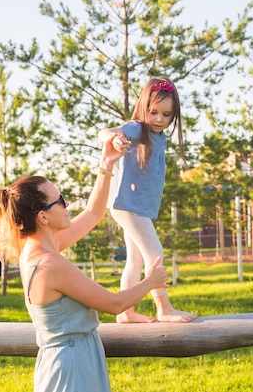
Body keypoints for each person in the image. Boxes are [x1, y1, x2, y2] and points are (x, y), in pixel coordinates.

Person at [0, 136, 169, 392]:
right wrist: (152, 281)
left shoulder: (40, 246)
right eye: (59, 201)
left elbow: (94, 213)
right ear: (43, 217)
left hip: (72, 360)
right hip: (70, 368)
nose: (66, 204)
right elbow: (113, 304)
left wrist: (106, 165)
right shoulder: (50, 264)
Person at [99, 77, 198, 324]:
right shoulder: (136, 128)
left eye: (166, 115)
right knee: (155, 253)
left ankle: (125, 312)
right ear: (144, 107)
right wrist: (116, 138)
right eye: (153, 112)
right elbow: (105, 132)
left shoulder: (159, 136)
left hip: (133, 206)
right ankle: (163, 308)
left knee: (135, 259)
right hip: (128, 205)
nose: (159, 119)